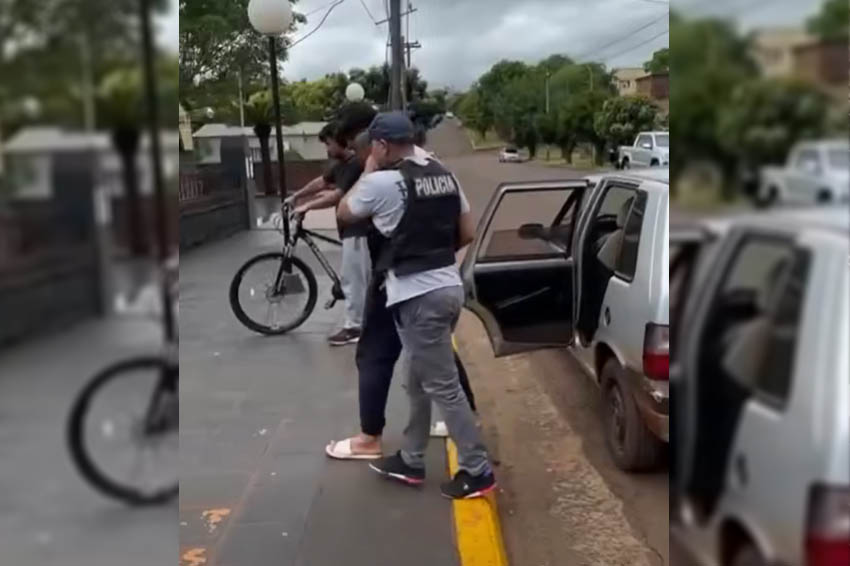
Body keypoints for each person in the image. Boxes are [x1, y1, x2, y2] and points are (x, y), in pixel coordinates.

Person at [336, 112, 495, 499]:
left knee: (443, 386)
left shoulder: (381, 181)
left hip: (417, 297)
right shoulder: (444, 174)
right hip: (448, 288)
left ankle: (478, 471)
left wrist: (368, 169)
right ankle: (411, 458)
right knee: (416, 379)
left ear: (381, 145)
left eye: (374, 147)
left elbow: (344, 212)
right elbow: (468, 232)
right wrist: (435, 259)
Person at [286, 122, 371, 346]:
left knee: (354, 281)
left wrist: (307, 207)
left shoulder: (354, 165)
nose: (326, 148)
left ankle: (355, 327)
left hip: (359, 229)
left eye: (328, 143)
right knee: (356, 278)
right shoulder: (340, 164)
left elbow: (337, 195)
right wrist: (298, 196)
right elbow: (323, 181)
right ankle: (364, 322)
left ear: (341, 141)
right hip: (350, 230)